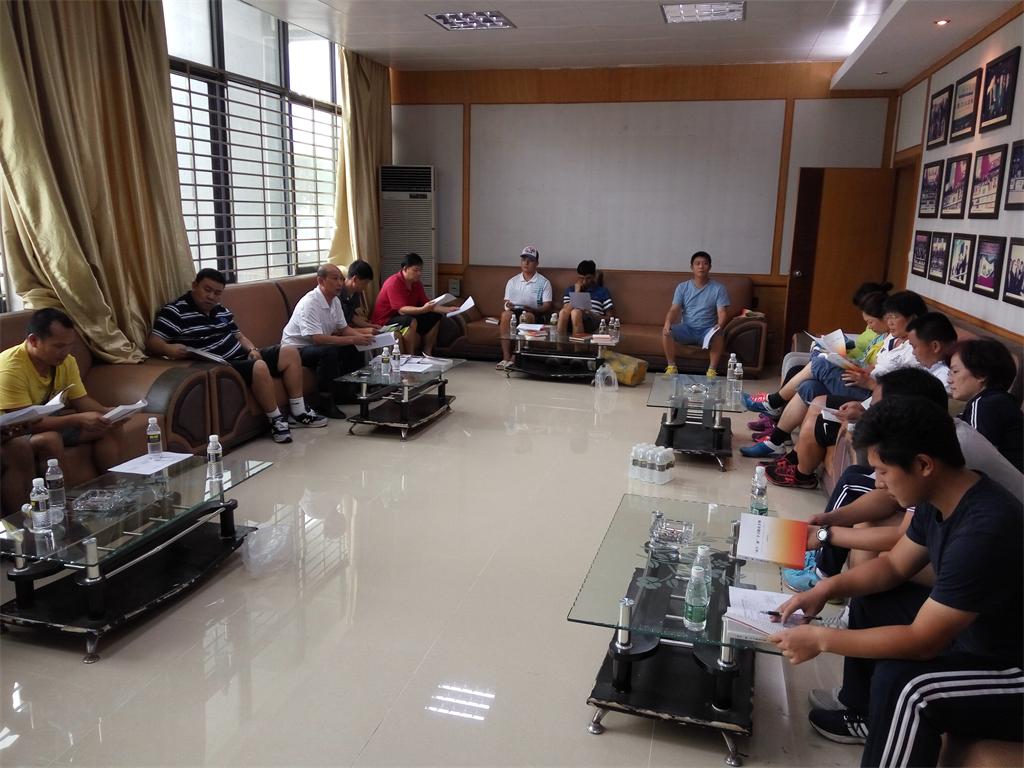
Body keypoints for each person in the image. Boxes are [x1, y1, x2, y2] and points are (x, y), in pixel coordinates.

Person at [772, 397, 1023, 766]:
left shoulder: (986, 528)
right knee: (874, 598)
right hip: (977, 633)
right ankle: (863, 715)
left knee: (909, 688)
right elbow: (893, 567)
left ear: (923, 464)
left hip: (1010, 664)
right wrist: (826, 588)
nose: (877, 482)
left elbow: (923, 641)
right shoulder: (939, 498)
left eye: (883, 471)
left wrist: (822, 639)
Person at [776, 368, 1022, 594]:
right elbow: (886, 499)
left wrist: (826, 534)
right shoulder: (934, 439)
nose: (872, 413)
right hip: (976, 538)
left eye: (879, 408)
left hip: (1000, 558)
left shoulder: (945, 454)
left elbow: (901, 539)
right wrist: (828, 521)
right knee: (868, 521)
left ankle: (825, 576)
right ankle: (839, 594)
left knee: (871, 532)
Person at [742, 291, 930, 459]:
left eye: (894, 317)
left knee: (820, 364)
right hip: (863, 382)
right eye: (888, 317)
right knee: (809, 386)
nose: (890, 322)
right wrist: (859, 368)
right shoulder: (893, 338)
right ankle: (775, 442)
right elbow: (877, 365)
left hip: (873, 395)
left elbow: (902, 389)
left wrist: (870, 383)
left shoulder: (916, 349)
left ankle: (773, 402)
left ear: (913, 318)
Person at [150, 269, 326, 444]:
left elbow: (239, 336)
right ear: (195, 285)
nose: (211, 296)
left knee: (289, 352)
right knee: (259, 366)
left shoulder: (220, 310)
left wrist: (252, 349)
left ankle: (298, 411)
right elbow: (153, 342)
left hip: (242, 355)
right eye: (207, 290)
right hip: (222, 364)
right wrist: (169, 349)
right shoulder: (176, 311)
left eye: (217, 293)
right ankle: (276, 420)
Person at [0, 308, 126, 486]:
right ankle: (65, 498)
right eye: (59, 346)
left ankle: (116, 487)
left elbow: (80, 400)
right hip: (13, 429)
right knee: (50, 440)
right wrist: (78, 419)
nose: (66, 352)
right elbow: (26, 422)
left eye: (70, 345)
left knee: (108, 426)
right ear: (34, 341)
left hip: (46, 419)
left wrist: (109, 414)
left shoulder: (66, 361)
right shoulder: (10, 368)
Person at [748, 286, 891, 437]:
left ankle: (773, 403)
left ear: (885, 317)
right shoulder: (884, 336)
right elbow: (869, 362)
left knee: (819, 364)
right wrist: (848, 358)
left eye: (870, 322)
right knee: (807, 383)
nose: (869, 326)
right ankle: (776, 438)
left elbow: (876, 372)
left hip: (865, 387)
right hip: (858, 372)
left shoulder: (893, 343)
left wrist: (858, 367)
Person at [282, 263, 374, 419]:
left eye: (341, 279)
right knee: (328, 352)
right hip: (296, 350)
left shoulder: (335, 300)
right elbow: (317, 338)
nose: (340, 283)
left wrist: (361, 339)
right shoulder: (310, 303)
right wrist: (353, 338)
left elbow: (344, 328)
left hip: (316, 346)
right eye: (335, 279)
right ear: (321, 281)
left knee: (354, 346)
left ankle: (347, 392)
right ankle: (326, 403)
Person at [949, 338, 1023, 471]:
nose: (949, 380)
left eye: (955, 372)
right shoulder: (997, 401)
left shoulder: (986, 405)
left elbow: (973, 458)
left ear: (981, 374)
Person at [370, 253, 460, 356]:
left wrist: (448, 309)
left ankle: (427, 353)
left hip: (402, 316)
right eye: (416, 270)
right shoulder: (394, 283)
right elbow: (402, 310)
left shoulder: (417, 284)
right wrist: (423, 309)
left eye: (420, 270)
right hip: (385, 321)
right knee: (410, 321)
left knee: (434, 316)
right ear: (405, 269)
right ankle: (410, 356)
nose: (419, 273)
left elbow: (427, 304)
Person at [661, 251, 729, 377]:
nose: (701, 266)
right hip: (687, 328)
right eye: (697, 264)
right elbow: (674, 309)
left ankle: (712, 370)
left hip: (707, 330)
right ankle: (671, 366)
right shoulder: (682, 287)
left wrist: (720, 324)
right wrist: (667, 322)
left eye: (705, 263)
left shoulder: (719, 288)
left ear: (710, 267)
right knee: (666, 331)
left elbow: (722, 312)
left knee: (719, 333)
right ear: (692, 267)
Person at [497, 246, 553, 370]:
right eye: (524, 260)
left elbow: (547, 305)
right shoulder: (513, 281)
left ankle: (514, 357)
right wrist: (507, 305)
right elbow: (506, 301)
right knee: (505, 315)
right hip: (514, 310)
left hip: (534, 313)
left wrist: (533, 309)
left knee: (526, 316)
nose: (526, 263)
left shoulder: (544, 282)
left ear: (537, 263)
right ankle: (505, 357)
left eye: (530, 260)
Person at [556, 259, 613, 336]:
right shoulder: (571, 290)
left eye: (588, 278)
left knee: (576, 312)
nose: (584, 282)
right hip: (571, 320)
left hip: (593, 321)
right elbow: (566, 310)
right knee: (563, 312)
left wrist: (592, 314)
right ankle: (559, 343)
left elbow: (610, 318)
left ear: (594, 276)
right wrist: (576, 292)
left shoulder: (602, 291)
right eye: (581, 278)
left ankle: (578, 344)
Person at [338, 260, 380, 331]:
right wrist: (364, 330)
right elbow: (339, 326)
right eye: (365, 283)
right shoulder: (337, 293)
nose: (366, 287)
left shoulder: (356, 293)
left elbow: (352, 317)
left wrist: (371, 326)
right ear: (355, 279)